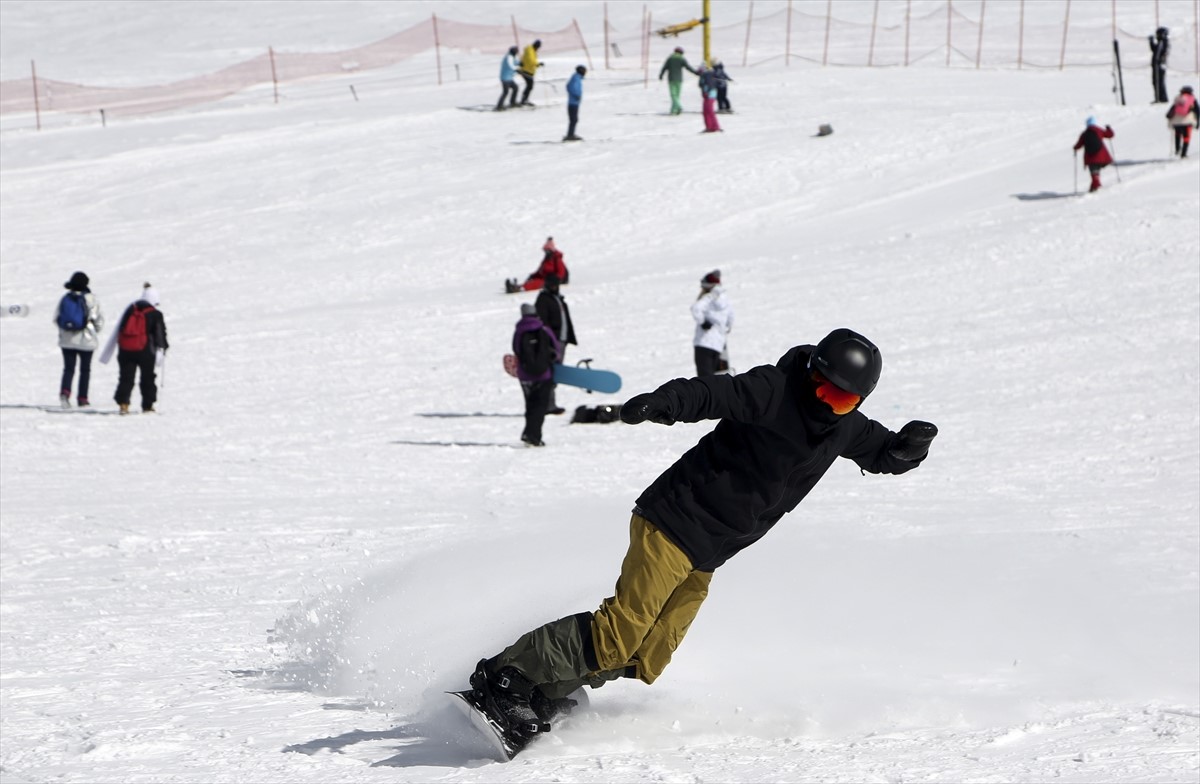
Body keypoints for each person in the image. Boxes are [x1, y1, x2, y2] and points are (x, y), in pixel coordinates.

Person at [462, 328, 938, 752]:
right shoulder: (772, 390)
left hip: (710, 551)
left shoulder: (843, 428)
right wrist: (662, 402)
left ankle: (547, 690)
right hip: (674, 519)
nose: (825, 402)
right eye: (821, 386)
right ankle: (506, 678)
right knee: (618, 634)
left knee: (649, 653)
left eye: (841, 399)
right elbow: (710, 393)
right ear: (812, 370)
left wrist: (906, 451)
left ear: (857, 402)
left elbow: (882, 452)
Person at [104, 283, 168, 415]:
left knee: (126, 378)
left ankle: (123, 404)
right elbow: (159, 334)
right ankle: (147, 405)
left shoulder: (130, 309)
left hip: (125, 350)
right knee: (147, 378)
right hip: (146, 351)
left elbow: (120, 329)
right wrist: (163, 347)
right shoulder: (155, 314)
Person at [53, 270, 105, 408]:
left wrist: (64, 331)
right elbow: (98, 320)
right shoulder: (91, 299)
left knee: (68, 369)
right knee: (85, 370)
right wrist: (94, 332)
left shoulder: (65, 298)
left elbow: (56, 318)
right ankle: (82, 398)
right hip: (86, 340)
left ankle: (65, 393)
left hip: (67, 341)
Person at [513, 303, 561, 447]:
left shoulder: (519, 330)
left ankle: (528, 432)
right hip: (543, 374)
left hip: (525, 375)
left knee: (530, 405)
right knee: (540, 407)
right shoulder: (544, 329)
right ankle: (533, 436)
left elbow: (516, 349)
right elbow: (556, 349)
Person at [535, 274, 576, 415]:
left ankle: (549, 404)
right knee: (550, 373)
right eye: (552, 285)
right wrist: (548, 342)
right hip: (552, 342)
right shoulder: (543, 300)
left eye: (556, 285)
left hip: (561, 340)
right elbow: (542, 323)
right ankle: (547, 405)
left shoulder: (558, 299)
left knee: (555, 373)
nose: (555, 287)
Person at [692, 270, 732, 376]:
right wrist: (725, 329)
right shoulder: (725, 299)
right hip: (719, 345)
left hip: (703, 343)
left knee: (705, 380)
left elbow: (695, 308)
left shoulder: (709, 297)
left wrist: (703, 322)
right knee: (717, 379)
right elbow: (731, 318)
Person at [1073, 117, 1115, 193]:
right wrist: (1109, 128)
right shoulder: (1098, 130)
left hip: (1090, 157)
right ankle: (1094, 187)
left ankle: (1096, 185)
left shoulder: (1084, 134)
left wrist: (1075, 148)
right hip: (1101, 156)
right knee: (1096, 172)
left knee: (1094, 172)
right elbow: (1110, 135)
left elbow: (1078, 145)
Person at [658, 47, 698, 116]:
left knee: (673, 95)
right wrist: (696, 72)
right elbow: (688, 67)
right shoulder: (681, 59)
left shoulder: (670, 58)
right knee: (677, 95)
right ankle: (674, 110)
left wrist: (661, 75)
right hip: (679, 79)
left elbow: (664, 67)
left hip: (671, 79)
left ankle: (678, 107)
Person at [1167, 85, 1198, 158]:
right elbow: (1197, 111)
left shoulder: (1178, 98)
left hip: (1176, 121)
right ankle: (1183, 154)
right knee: (1186, 137)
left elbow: (1171, 110)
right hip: (1187, 121)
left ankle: (1177, 149)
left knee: (1177, 134)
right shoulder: (1192, 99)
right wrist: (1197, 123)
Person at [564, 65, 586, 142]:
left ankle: (571, 134)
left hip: (574, 102)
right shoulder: (576, 78)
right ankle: (570, 135)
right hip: (573, 102)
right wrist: (576, 95)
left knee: (574, 119)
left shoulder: (576, 77)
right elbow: (571, 87)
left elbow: (568, 86)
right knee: (574, 119)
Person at [697, 64, 722, 133]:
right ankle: (710, 126)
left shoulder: (706, 75)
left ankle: (714, 126)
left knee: (709, 111)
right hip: (710, 94)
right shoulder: (709, 74)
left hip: (709, 95)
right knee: (706, 111)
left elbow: (708, 84)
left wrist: (706, 92)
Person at [517, 39, 543, 106]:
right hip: (526, 71)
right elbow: (531, 60)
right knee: (529, 86)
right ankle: (524, 100)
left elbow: (530, 59)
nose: (538, 48)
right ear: (536, 46)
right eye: (538, 47)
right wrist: (538, 64)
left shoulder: (532, 50)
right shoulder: (530, 50)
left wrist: (537, 64)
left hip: (528, 71)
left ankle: (524, 100)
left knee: (529, 86)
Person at [1149, 27, 1170, 103]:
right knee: (1157, 82)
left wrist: (1156, 62)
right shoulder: (1162, 42)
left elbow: (1157, 53)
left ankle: (1161, 98)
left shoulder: (1162, 42)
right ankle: (1160, 97)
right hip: (1159, 65)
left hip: (1159, 65)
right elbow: (1155, 49)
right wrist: (1151, 42)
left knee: (1158, 81)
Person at [496, 46, 520, 111]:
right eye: (516, 52)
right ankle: (499, 106)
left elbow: (516, 62)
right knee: (505, 92)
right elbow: (511, 66)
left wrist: (520, 63)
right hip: (505, 78)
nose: (516, 53)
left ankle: (512, 102)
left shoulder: (512, 56)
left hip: (509, 78)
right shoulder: (509, 57)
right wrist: (517, 69)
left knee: (515, 88)